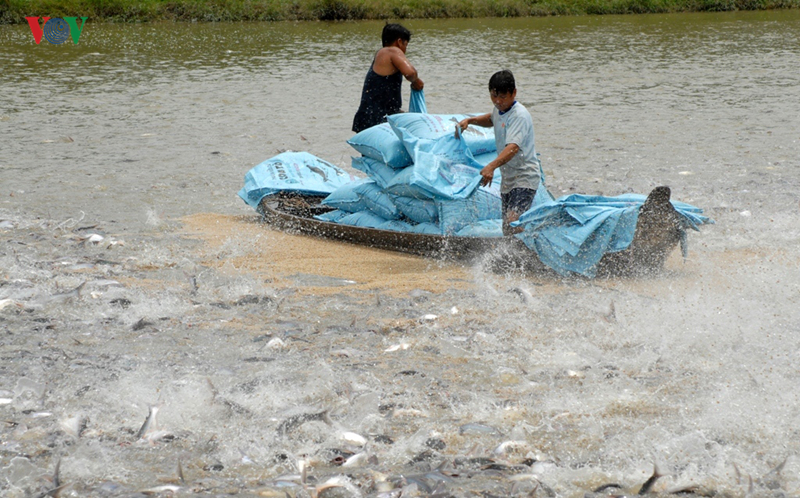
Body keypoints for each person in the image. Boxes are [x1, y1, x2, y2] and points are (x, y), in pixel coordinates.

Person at [456, 70, 540, 236]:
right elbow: (491, 119)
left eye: (502, 96)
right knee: (507, 228)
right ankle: (513, 259)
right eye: (494, 96)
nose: (498, 101)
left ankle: (528, 256)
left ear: (514, 93)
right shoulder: (499, 109)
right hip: (508, 178)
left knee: (514, 219)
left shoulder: (519, 116)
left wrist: (491, 166)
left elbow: (513, 148)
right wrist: (470, 121)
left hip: (525, 177)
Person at [352, 23, 424, 133]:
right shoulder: (391, 51)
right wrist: (416, 81)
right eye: (406, 45)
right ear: (399, 42)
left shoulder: (381, 55)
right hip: (376, 119)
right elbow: (410, 73)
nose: (405, 50)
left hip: (368, 117)